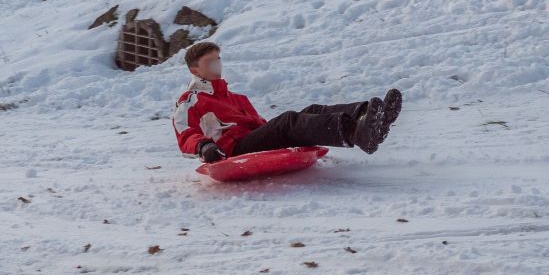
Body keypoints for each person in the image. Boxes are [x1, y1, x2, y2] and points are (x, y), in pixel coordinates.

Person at [172, 42, 402, 162]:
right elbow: (186, 134)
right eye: (210, 62)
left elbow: (260, 127)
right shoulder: (192, 100)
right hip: (231, 151)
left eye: (218, 60)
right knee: (288, 121)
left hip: (253, 141)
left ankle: (370, 117)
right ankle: (356, 134)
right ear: (195, 70)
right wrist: (204, 146)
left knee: (312, 110)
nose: (217, 65)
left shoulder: (235, 98)